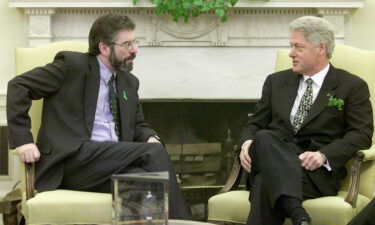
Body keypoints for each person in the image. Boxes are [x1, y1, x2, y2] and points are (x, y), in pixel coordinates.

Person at [6, 13, 191, 219]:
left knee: (143, 179)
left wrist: (151, 137)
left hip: (107, 163)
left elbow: (137, 124)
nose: (134, 50)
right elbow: (19, 86)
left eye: (135, 42)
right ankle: (184, 222)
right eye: (127, 44)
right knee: (154, 154)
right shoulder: (72, 66)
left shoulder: (128, 82)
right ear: (104, 48)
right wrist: (23, 141)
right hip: (71, 161)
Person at [238, 16, 373, 225]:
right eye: (291, 46)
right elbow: (255, 124)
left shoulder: (351, 86)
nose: (291, 53)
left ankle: (296, 212)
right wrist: (247, 143)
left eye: (298, 47)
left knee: (264, 180)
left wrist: (323, 155)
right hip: (275, 157)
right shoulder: (276, 82)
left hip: (313, 173)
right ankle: (298, 215)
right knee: (263, 136)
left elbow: (361, 134)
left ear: (321, 48)